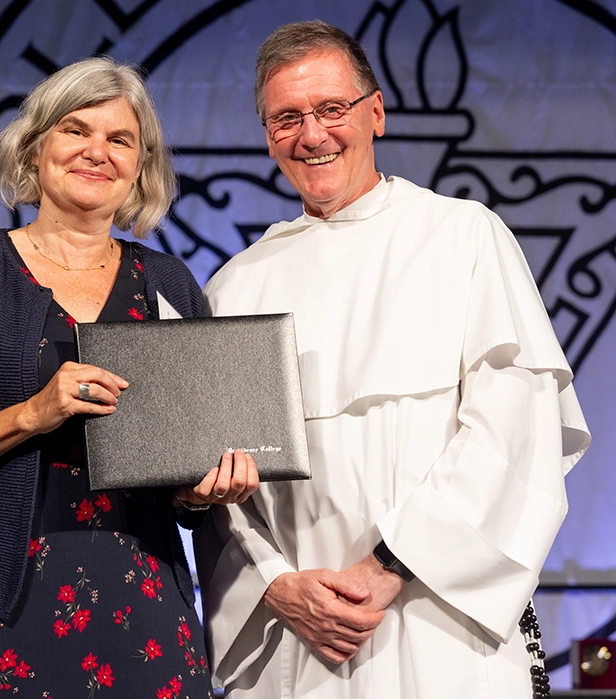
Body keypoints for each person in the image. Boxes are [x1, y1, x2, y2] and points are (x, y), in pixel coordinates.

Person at [194, 20, 591, 699]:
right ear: (266, 136)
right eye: (286, 118)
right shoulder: (234, 285)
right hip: (298, 643)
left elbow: (512, 433)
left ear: (374, 112)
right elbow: (220, 492)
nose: (311, 135)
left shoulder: (463, 235)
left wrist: (387, 565)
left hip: (444, 622)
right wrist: (278, 586)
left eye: (330, 109)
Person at [0, 56, 258, 698]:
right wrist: (31, 413)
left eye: (120, 139)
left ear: (141, 166)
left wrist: (204, 492)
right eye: (75, 130)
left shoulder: (169, 284)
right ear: (34, 148)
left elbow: (184, 484)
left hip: (145, 611)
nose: (97, 151)